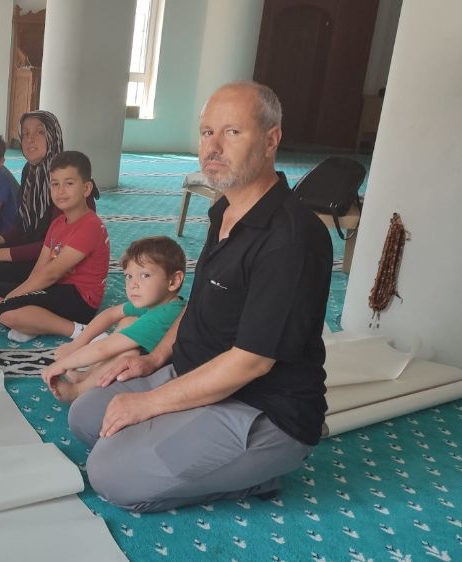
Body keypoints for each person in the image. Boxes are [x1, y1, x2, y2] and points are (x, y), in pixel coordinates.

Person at [67, 81, 332, 513]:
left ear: (271, 139)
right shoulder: (224, 211)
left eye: (232, 132)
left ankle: (257, 479)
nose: (213, 146)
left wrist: (148, 403)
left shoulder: (292, 239)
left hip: (260, 408)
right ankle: (176, 429)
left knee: (110, 475)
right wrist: (154, 361)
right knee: (86, 414)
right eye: (207, 132)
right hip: (197, 372)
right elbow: (199, 305)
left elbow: (251, 361)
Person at [0, 151, 108, 343]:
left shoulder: (90, 226)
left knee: (6, 312)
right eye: (55, 184)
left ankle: (78, 330)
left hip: (80, 300)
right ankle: (33, 322)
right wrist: (20, 293)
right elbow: (40, 268)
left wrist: (13, 298)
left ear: (86, 188)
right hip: (56, 289)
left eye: (69, 184)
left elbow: (51, 274)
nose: (60, 191)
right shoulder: (58, 223)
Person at [0, 111, 96, 286]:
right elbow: (20, 227)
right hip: (29, 249)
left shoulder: (65, 184)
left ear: (53, 135)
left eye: (40, 132)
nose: (30, 139)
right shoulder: (30, 172)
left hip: (54, 262)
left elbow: (55, 247)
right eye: (26, 133)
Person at [41, 236, 186, 402]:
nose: (133, 284)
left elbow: (104, 348)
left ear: (174, 281)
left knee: (128, 351)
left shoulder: (166, 314)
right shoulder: (160, 300)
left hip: (172, 376)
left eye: (144, 275)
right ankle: (87, 377)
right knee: (128, 320)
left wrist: (63, 363)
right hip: (157, 361)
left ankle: (78, 391)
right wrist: (76, 344)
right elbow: (110, 314)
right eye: (129, 276)